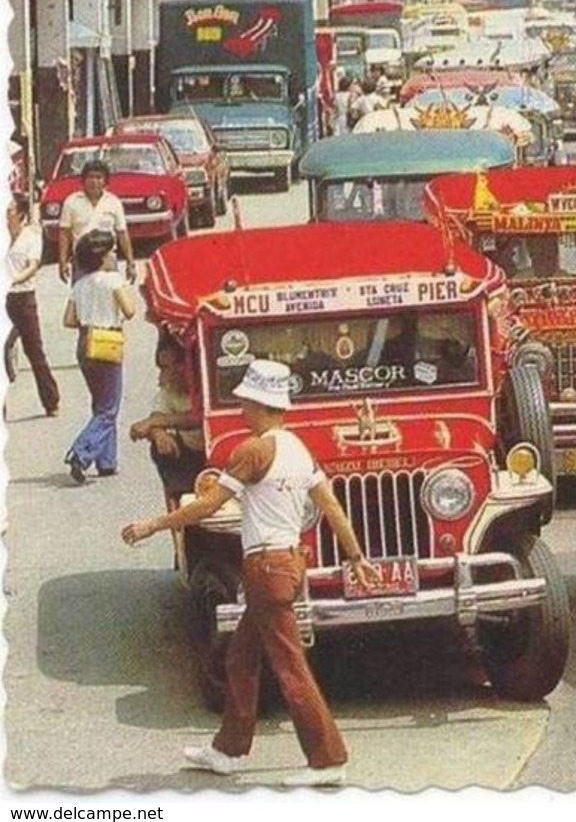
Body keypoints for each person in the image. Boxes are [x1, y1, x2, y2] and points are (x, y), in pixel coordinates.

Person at [120, 359, 380, 787]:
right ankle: (228, 750)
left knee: (290, 668)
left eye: (244, 401)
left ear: (260, 404)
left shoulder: (254, 450)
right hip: (289, 564)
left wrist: (152, 525)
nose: (240, 408)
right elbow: (331, 506)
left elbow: (207, 506)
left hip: (266, 567)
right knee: (241, 658)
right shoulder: (298, 448)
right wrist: (355, 556)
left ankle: (328, 758)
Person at [62, 230, 137, 483]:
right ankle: (81, 453)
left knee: (101, 403)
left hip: (85, 342)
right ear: (103, 257)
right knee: (109, 408)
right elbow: (130, 310)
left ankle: (107, 461)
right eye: (112, 252)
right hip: (107, 341)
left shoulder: (80, 284)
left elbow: (69, 320)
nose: (115, 255)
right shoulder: (113, 280)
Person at [130, 333, 206, 510]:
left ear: (184, 366)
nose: (163, 374)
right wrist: (158, 432)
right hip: (191, 454)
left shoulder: (206, 383)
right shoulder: (169, 391)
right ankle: (178, 507)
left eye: (166, 367)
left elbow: (200, 416)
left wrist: (158, 422)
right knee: (160, 448)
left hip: (218, 454)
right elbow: (150, 420)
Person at [6, 192, 60, 417]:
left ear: (20, 213)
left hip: (23, 298)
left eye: (9, 208)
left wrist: (14, 278)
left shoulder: (31, 236)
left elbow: (33, 265)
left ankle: (51, 401)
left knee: (34, 350)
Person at [57, 158, 135, 283]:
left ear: (105, 181)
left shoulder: (113, 202)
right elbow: (64, 234)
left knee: (109, 298)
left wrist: (130, 262)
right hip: (81, 262)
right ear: (83, 180)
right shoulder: (71, 202)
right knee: (81, 298)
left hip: (107, 261)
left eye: (99, 177)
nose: (94, 182)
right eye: (90, 177)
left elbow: (122, 233)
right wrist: (62, 261)